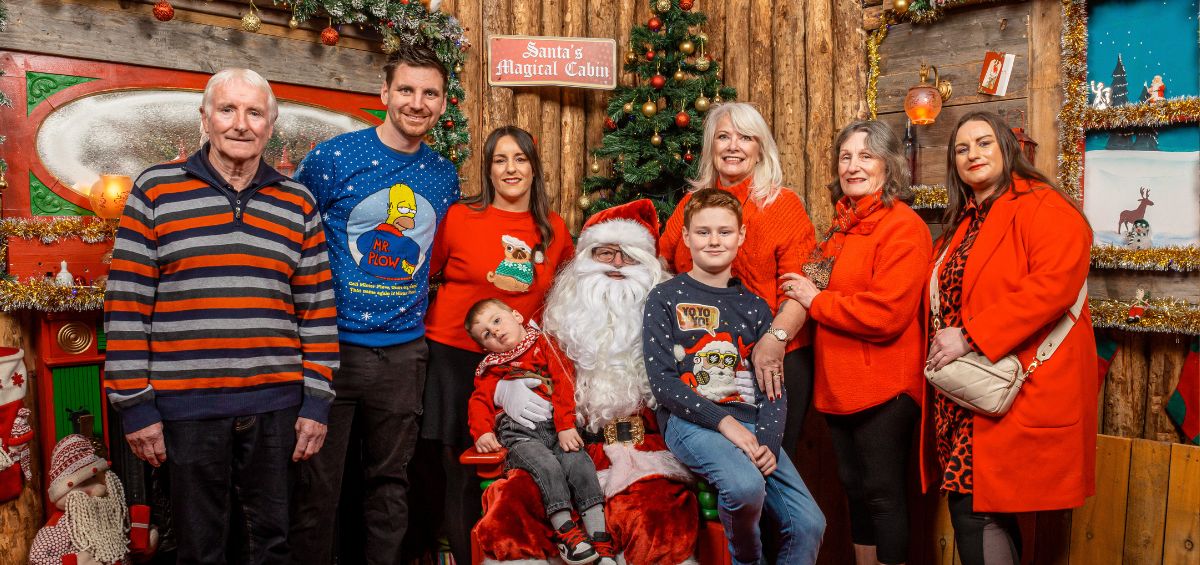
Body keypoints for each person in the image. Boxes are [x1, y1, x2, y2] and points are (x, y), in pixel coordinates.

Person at [103, 68, 338, 564]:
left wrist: (317, 403)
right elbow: (126, 302)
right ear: (205, 118)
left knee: (270, 544)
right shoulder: (156, 190)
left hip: (277, 411)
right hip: (184, 412)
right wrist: (136, 407)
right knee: (196, 548)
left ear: (270, 126)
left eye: (254, 112)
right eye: (227, 109)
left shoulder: (298, 202)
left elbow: (316, 309)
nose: (240, 123)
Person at [289, 42, 460, 565]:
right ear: (384, 92)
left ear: (443, 104)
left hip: (405, 352)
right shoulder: (334, 158)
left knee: (390, 483)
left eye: (430, 93)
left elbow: (437, 254)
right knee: (316, 485)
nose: (417, 102)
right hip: (331, 349)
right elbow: (294, 232)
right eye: (406, 89)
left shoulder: (442, 174)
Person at [473, 199, 698, 565]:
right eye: (605, 253)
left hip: (643, 451)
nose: (616, 265)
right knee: (513, 502)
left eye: (628, 256)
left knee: (657, 516)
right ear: (585, 261)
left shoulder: (670, 319)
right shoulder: (561, 317)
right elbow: (505, 362)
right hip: (566, 447)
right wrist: (503, 387)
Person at [924, 111, 1097, 565]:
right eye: (962, 149)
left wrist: (970, 334)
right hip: (967, 391)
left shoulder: (1043, 204)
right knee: (983, 510)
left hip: (1014, 383)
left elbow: (1054, 283)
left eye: (983, 143)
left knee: (977, 511)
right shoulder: (966, 218)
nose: (972, 155)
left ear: (1007, 148)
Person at [412, 126, 573, 564]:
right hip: (454, 356)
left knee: (520, 459)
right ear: (488, 169)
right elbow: (427, 274)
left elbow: (566, 294)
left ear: (534, 167)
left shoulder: (553, 229)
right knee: (457, 467)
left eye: (520, 159)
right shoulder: (461, 217)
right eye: (500, 160)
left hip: (520, 363)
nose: (510, 169)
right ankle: (460, 555)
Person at [644, 188, 825, 565]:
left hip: (753, 425)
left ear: (741, 237)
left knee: (809, 522)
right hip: (692, 421)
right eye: (704, 231)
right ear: (688, 237)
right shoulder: (665, 297)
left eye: (725, 232)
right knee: (744, 487)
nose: (714, 240)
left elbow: (773, 385)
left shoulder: (755, 307)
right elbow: (662, 382)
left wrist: (769, 445)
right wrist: (726, 424)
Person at [780, 121, 930, 565]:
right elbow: (816, 281)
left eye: (866, 156)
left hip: (885, 385)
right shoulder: (841, 228)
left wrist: (817, 300)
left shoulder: (903, 228)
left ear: (889, 165)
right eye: (846, 156)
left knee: (882, 494)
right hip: (841, 384)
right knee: (855, 489)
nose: (853, 165)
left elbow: (887, 314)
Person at [658, 102, 818, 461]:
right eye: (723, 137)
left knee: (769, 463)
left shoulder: (783, 205)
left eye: (745, 138)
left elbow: (798, 289)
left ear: (760, 148)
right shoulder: (690, 205)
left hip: (775, 354)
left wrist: (774, 341)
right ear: (711, 147)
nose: (733, 146)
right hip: (704, 359)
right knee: (716, 468)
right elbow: (661, 265)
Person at [466, 298, 615, 565]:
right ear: (483, 345)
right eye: (486, 334)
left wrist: (566, 426)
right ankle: (567, 533)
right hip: (520, 435)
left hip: (557, 426)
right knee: (547, 466)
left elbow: (563, 382)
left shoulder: (545, 343)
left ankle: (598, 536)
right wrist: (482, 433)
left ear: (516, 315)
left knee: (578, 461)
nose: (496, 332)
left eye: (497, 321)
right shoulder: (491, 369)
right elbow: (479, 402)